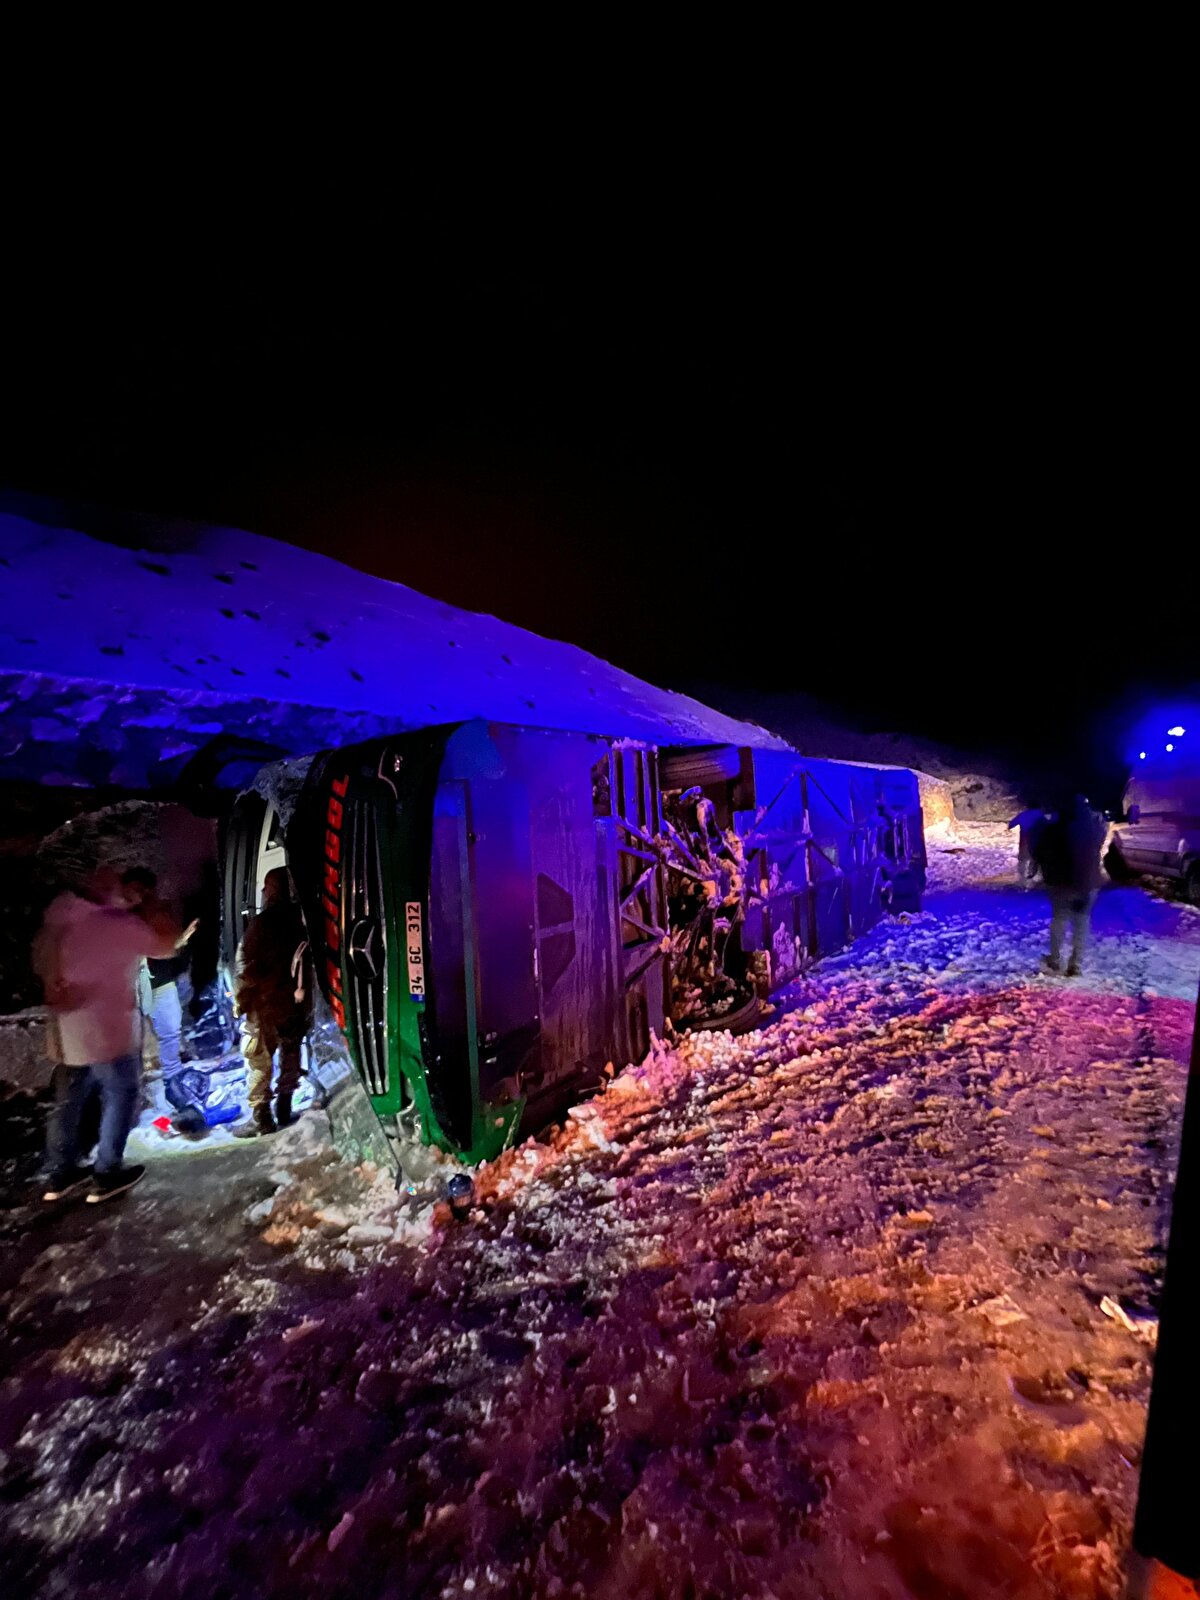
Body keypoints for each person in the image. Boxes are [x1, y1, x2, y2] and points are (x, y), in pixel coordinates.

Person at [35, 865, 182, 1202]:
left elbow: (45, 964)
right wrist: (155, 905)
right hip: (108, 1033)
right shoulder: (119, 925)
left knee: (68, 1103)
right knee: (121, 1095)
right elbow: (168, 944)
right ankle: (107, 1174)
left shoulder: (65, 918)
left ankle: (60, 1175)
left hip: (70, 1035)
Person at [119, 869, 204, 1134]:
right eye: (136, 889)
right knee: (132, 1042)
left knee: (169, 1035)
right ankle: (132, 1097)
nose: (141, 894)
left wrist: (180, 943)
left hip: (160, 980)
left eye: (145, 889)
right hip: (131, 985)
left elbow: (168, 944)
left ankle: (172, 1085)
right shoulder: (121, 917)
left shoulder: (158, 910)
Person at [233, 867, 310, 1138]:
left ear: (272, 891)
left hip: (265, 1006)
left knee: (259, 1060)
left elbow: (245, 967)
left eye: (266, 888)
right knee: (290, 1054)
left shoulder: (261, 925)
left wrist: (241, 1002)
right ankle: (285, 1107)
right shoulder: (302, 920)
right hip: (294, 1005)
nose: (264, 893)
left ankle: (262, 1117)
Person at [1033, 794, 1108, 976]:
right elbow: (1102, 832)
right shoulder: (1095, 829)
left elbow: (1039, 850)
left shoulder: (1054, 829)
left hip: (1061, 884)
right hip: (1088, 884)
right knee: (1081, 923)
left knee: (1059, 920)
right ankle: (1076, 964)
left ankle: (1055, 960)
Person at [1008, 806, 1048, 886]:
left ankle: (1022, 880)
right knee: (1037, 860)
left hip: (1025, 841)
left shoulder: (1023, 815)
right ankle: (1037, 880)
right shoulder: (1041, 814)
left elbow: (1011, 825)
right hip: (1038, 842)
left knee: (1023, 860)